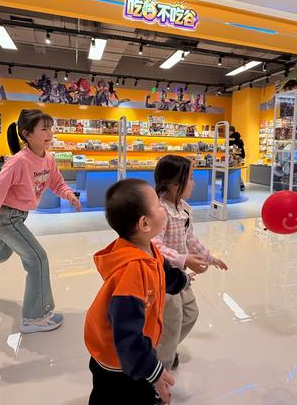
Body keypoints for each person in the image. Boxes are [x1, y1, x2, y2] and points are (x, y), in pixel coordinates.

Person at [0, 109, 82, 333]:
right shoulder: (18, 163)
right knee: (37, 258)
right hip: (6, 217)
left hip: (17, 215)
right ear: (27, 134)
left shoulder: (48, 159)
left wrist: (69, 195)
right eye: (44, 129)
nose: (50, 133)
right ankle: (35, 317)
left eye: (50, 128)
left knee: (1, 253)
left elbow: (57, 182)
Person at [85, 179, 190, 405]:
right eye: (158, 206)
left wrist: (183, 279)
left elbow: (164, 274)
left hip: (130, 352)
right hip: (117, 359)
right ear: (144, 223)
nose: (163, 208)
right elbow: (127, 334)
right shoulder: (132, 272)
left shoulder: (147, 248)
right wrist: (154, 372)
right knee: (113, 396)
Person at [152, 155, 228, 372]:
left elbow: (190, 239)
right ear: (174, 184)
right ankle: (159, 370)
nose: (194, 183)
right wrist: (183, 259)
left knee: (190, 314)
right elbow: (154, 246)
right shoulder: (160, 211)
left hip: (180, 275)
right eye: (191, 178)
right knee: (172, 320)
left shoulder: (184, 208)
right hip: (165, 278)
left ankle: (165, 348)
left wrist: (209, 258)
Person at [229, 126, 246, 191]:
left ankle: (240, 185)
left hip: (235, 157)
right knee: (235, 171)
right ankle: (240, 185)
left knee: (233, 171)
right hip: (240, 157)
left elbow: (233, 149)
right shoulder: (239, 139)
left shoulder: (231, 139)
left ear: (231, 131)